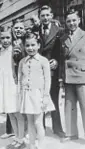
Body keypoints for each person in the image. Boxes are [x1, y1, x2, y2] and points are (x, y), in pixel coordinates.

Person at [18, 32, 55, 149]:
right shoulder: (22, 62)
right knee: (29, 122)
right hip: (26, 94)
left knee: (38, 122)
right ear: (24, 46)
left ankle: (41, 146)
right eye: (27, 45)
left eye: (33, 45)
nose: (30, 48)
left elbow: (48, 80)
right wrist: (20, 95)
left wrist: (45, 96)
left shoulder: (43, 61)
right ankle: (32, 145)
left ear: (38, 45)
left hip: (38, 94)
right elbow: (20, 79)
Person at [0, 26, 25, 149]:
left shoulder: (16, 50)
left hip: (13, 83)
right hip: (3, 84)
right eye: (3, 38)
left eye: (8, 37)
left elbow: (21, 68)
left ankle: (21, 138)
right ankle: (16, 137)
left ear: (12, 37)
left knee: (17, 112)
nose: (5, 40)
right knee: (10, 113)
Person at [38, 5, 65, 138]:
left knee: (54, 100)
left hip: (53, 71)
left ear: (52, 16)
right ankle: (40, 128)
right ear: (39, 17)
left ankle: (57, 128)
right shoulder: (35, 30)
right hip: (39, 72)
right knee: (40, 100)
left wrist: (57, 61)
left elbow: (62, 51)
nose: (45, 18)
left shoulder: (59, 30)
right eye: (42, 15)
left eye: (47, 15)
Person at [60, 9, 85, 141]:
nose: (71, 23)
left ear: (79, 20)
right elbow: (62, 58)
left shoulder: (84, 35)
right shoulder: (63, 38)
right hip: (68, 76)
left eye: (74, 20)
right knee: (69, 107)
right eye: (69, 21)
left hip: (82, 76)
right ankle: (71, 133)